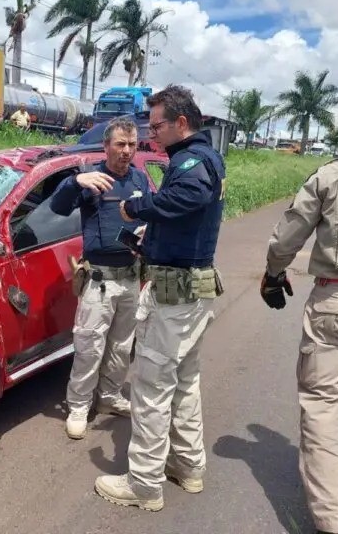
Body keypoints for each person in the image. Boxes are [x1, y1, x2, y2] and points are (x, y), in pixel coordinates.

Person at [93, 84, 226, 511]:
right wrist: (155, 232)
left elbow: (189, 196)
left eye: (157, 126)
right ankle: (187, 467)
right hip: (193, 288)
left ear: (181, 123)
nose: (151, 136)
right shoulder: (206, 157)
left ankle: (144, 484)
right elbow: (191, 214)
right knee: (185, 383)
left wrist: (140, 208)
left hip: (174, 296)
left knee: (151, 389)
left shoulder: (191, 161)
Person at [49, 116, 150, 439]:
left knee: (121, 347)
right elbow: (58, 207)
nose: (127, 151)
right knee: (90, 347)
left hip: (131, 278)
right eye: (120, 144)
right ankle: (78, 406)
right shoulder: (92, 178)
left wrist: (150, 228)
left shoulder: (139, 180)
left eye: (132, 145)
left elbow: (150, 212)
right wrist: (75, 182)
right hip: (99, 281)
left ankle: (108, 398)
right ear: (106, 145)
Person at [261, 159, 338, 534]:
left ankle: (330, 521)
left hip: (333, 303)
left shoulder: (329, 176)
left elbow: (288, 236)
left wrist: (274, 273)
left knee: (324, 405)